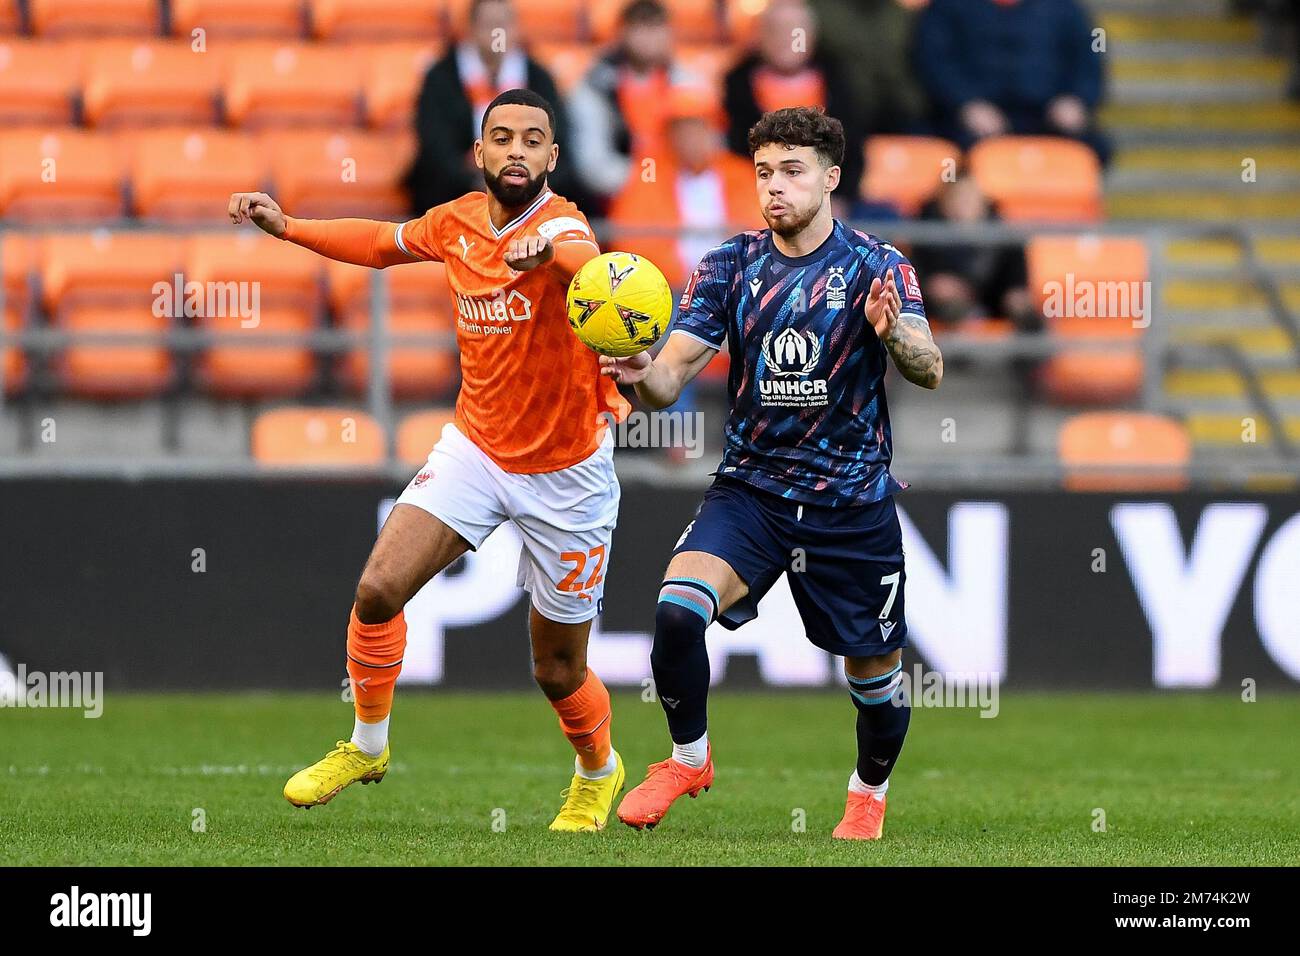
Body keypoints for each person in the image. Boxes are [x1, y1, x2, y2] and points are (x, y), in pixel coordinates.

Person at [228, 89, 630, 832]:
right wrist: (289, 228)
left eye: (532, 140)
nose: (516, 150)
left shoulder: (564, 224)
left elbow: (586, 259)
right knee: (378, 588)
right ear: (479, 153)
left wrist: (553, 255)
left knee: (557, 670)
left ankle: (597, 772)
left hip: (567, 473)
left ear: (552, 157)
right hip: (475, 448)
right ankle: (366, 745)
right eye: (501, 137)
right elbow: (382, 243)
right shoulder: (456, 223)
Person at [602, 106, 943, 840]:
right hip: (752, 489)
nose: (775, 187)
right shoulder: (730, 263)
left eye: (792, 171)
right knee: (675, 612)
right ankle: (688, 758)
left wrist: (894, 341)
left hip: (850, 502)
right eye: (763, 172)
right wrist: (636, 373)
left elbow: (930, 368)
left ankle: (867, 794)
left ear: (831, 177)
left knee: (876, 686)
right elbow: (668, 382)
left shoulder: (878, 267)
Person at [404, 0, 579, 212]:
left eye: (504, 24)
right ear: (470, 28)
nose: (498, 33)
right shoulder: (441, 76)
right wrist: (477, 179)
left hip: (526, 176)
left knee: (575, 188)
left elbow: (558, 136)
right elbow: (434, 142)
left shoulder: (538, 77)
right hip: (458, 183)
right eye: (489, 25)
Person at [913, 0, 1111, 164]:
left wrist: (1077, 98)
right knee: (949, 155)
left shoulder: (1065, 8)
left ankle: (1069, 206)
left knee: (1094, 147)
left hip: (1045, 118)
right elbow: (933, 59)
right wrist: (965, 103)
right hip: (970, 121)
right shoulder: (946, 7)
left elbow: (1091, 54)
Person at [723, 0, 865, 213]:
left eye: (794, 31)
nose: (785, 39)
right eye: (775, 30)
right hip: (753, 202)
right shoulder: (737, 86)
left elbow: (852, 148)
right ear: (760, 35)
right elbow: (735, 152)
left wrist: (837, 196)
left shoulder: (838, 83)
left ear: (811, 35)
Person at [567, 0, 701, 210]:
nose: (649, 38)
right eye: (641, 28)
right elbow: (593, 163)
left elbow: (705, 148)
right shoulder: (594, 88)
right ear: (622, 33)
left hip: (685, 195)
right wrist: (647, 183)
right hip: (618, 200)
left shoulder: (689, 84)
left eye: (656, 28)